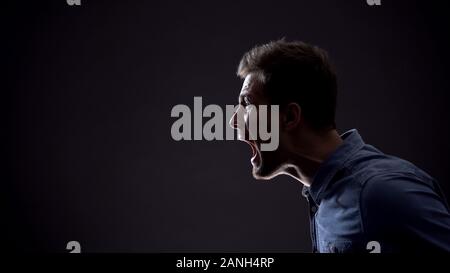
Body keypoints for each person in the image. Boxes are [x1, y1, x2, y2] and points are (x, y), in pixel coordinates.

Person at [229, 39, 450, 253]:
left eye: (247, 103)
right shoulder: (324, 195)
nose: (233, 121)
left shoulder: (381, 192)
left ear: (289, 117)